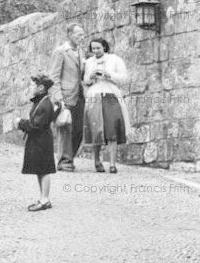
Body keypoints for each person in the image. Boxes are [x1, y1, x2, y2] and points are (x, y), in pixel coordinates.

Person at [83, 38, 130, 173]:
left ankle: (112, 164)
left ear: (104, 47)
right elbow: (86, 80)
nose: (96, 51)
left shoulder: (115, 59)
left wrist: (110, 75)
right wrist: (91, 76)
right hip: (94, 95)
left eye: (98, 48)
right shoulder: (89, 62)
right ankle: (97, 161)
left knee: (112, 128)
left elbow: (124, 78)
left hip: (111, 94)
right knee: (96, 128)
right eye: (93, 49)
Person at [17, 74, 57, 212]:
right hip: (40, 140)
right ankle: (43, 198)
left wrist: (21, 123)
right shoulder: (42, 101)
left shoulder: (45, 104)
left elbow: (36, 126)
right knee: (41, 169)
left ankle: (45, 199)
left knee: (44, 169)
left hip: (42, 141)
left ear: (41, 88)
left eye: (34, 85)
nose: (31, 88)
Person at [49, 23, 85, 172]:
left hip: (80, 96)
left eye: (82, 34)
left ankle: (70, 157)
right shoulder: (60, 52)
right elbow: (54, 77)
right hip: (65, 95)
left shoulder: (81, 52)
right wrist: (59, 99)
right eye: (78, 34)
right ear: (70, 34)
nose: (81, 37)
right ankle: (64, 161)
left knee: (78, 130)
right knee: (65, 128)